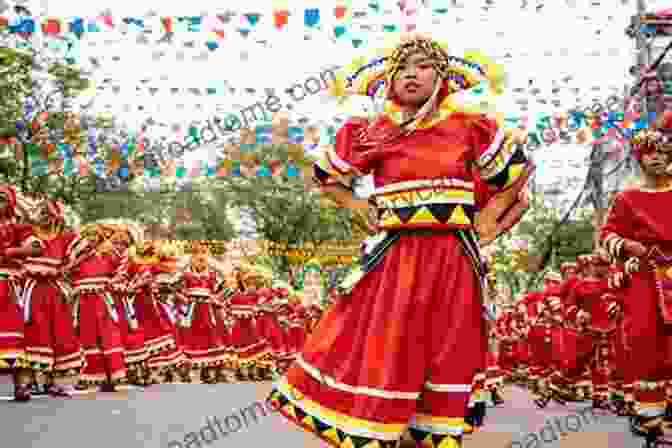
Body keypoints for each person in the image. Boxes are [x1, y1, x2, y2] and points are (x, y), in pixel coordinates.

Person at [267, 34, 532, 448]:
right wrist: (355, 205)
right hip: (396, 254)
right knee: (387, 338)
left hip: (453, 254)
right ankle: (378, 427)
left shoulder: (469, 126)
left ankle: (435, 429)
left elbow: (516, 171)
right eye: (402, 68)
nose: (412, 74)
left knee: (448, 341)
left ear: (443, 78)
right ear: (388, 82)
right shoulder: (376, 131)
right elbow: (328, 175)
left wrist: (491, 216)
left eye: (424, 66)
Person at [599, 112, 672, 438]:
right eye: (649, 154)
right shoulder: (627, 198)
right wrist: (630, 246)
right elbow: (608, 236)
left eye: (662, 152)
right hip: (645, 276)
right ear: (640, 159)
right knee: (646, 339)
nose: (657, 158)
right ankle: (650, 412)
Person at [21, 199, 83, 396]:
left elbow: (80, 253)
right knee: (34, 333)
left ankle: (57, 381)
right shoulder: (26, 232)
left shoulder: (64, 237)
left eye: (50, 213)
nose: (46, 216)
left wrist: (67, 269)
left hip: (54, 291)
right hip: (32, 290)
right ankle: (31, 381)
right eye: (43, 213)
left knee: (60, 333)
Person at [0, 185, 38, 400]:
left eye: (2, 198)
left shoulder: (19, 227)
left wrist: (10, 252)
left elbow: (36, 247)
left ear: (11, 203)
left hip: (11, 287)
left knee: (17, 336)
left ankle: (21, 385)